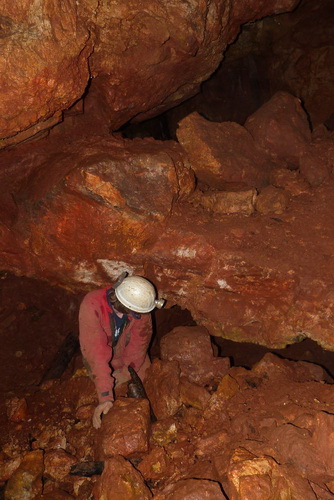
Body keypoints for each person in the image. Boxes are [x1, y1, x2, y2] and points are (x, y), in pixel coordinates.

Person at [79, 272, 164, 429]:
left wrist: (126, 372)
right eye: (133, 313)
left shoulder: (140, 308)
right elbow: (96, 353)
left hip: (129, 357)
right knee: (111, 397)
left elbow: (139, 344)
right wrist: (105, 396)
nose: (138, 316)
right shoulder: (92, 305)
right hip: (102, 358)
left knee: (148, 389)